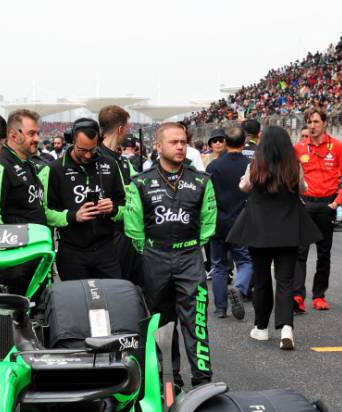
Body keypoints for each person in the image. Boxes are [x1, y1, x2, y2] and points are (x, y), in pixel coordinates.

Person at [124, 122, 216, 389]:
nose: (179, 146)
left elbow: (209, 222)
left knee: (195, 319)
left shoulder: (201, 181)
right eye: (174, 142)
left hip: (189, 256)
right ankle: (166, 378)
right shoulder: (140, 182)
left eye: (183, 142)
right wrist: (153, 249)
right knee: (159, 321)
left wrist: (190, 246)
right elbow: (134, 226)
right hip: (155, 257)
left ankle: (202, 380)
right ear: (158, 146)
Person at [229, 125, 320, 350]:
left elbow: (244, 186)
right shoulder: (293, 165)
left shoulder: (255, 165)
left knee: (261, 280)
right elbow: (303, 188)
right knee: (285, 280)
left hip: (259, 228)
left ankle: (261, 328)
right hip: (288, 227)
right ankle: (286, 328)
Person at [0, 109, 52, 294]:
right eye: (31, 133)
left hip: (33, 257)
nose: (37, 138)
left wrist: (72, 217)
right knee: (7, 320)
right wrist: (9, 259)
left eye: (38, 133)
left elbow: (38, 209)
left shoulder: (28, 164)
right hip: (13, 264)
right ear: (13, 135)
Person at [46, 117, 125, 281]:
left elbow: (127, 208)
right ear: (71, 141)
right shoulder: (54, 169)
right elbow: (45, 213)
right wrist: (73, 216)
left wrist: (114, 209)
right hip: (71, 252)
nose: (89, 155)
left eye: (93, 149)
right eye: (82, 150)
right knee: (77, 304)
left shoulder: (110, 165)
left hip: (106, 251)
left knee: (111, 300)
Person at [294, 107, 342, 311]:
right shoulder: (299, 147)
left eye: (316, 122)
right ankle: (298, 296)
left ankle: (319, 295)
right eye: (309, 122)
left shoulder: (337, 146)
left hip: (327, 204)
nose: (312, 126)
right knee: (300, 252)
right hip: (305, 203)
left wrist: (337, 202)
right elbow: (290, 176)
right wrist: (296, 198)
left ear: (325, 123)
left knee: (323, 252)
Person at [205, 125, 252, 319]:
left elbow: (207, 195)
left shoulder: (213, 166)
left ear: (225, 142)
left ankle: (220, 307)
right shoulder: (250, 164)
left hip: (218, 219)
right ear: (244, 142)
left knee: (219, 265)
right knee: (246, 261)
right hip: (242, 220)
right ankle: (239, 288)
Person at [98, 105, 141, 282]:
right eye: (127, 127)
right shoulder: (97, 158)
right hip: (107, 236)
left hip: (127, 233)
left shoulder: (123, 161)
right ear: (121, 129)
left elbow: (137, 189)